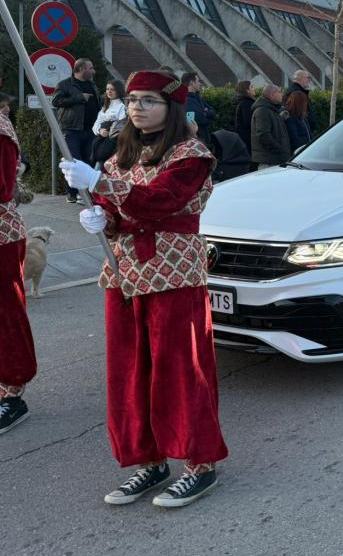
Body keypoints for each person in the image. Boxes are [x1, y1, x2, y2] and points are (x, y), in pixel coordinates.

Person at [59, 70, 227, 507]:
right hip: (123, 273)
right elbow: (116, 209)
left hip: (174, 274)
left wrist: (99, 185)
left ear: (171, 107)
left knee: (179, 371)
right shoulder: (121, 155)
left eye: (149, 99)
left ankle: (200, 463)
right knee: (130, 373)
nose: (137, 106)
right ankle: (148, 462)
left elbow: (160, 203)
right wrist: (100, 218)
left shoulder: (192, 154)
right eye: (133, 99)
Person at [0, 94, 32, 434]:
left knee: (6, 316)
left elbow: (3, 186)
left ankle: (12, 391)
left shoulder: (1, 130)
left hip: (2, 237)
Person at [52, 57, 100, 203]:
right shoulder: (65, 84)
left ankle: (85, 192)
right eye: (90, 68)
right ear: (81, 69)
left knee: (88, 161)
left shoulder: (92, 84)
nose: (93, 71)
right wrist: (79, 97)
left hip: (90, 130)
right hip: (71, 129)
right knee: (74, 161)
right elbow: (56, 101)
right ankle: (72, 193)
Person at [250, 84, 291, 168]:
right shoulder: (262, 111)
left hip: (275, 159)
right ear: (272, 94)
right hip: (269, 161)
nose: (282, 94)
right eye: (279, 92)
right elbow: (263, 136)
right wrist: (280, 149)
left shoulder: (272, 109)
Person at [180, 72, 216, 145]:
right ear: (192, 83)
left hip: (203, 139)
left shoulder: (198, 98)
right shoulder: (186, 100)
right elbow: (197, 120)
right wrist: (206, 114)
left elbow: (213, 112)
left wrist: (204, 113)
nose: (200, 84)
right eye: (198, 81)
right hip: (196, 141)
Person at [233, 80, 254, 153]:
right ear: (247, 90)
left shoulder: (242, 102)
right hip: (248, 139)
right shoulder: (246, 103)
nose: (254, 88)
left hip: (243, 137)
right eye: (251, 87)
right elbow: (248, 122)